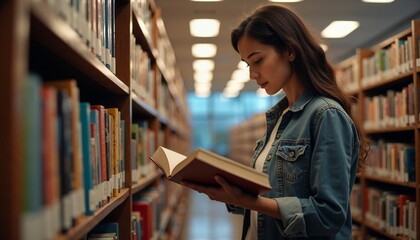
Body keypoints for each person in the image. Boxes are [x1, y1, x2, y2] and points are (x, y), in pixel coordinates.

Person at [183, 4, 370, 240]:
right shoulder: (279, 118)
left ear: (290, 51)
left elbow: (328, 215)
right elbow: (272, 199)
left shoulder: (326, 115)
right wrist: (231, 194)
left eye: (257, 60)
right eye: (247, 64)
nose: (252, 74)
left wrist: (251, 201)